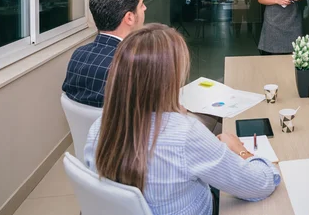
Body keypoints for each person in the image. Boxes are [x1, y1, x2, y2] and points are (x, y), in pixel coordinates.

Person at [84, 24, 279, 215]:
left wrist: (173, 114)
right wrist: (240, 150)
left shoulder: (99, 128)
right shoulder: (186, 135)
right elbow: (261, 184)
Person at [62, 0, 145, 108]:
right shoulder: (134, 65)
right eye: (141, 5)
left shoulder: (78, 56)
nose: (145, 8)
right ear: (129, 17)